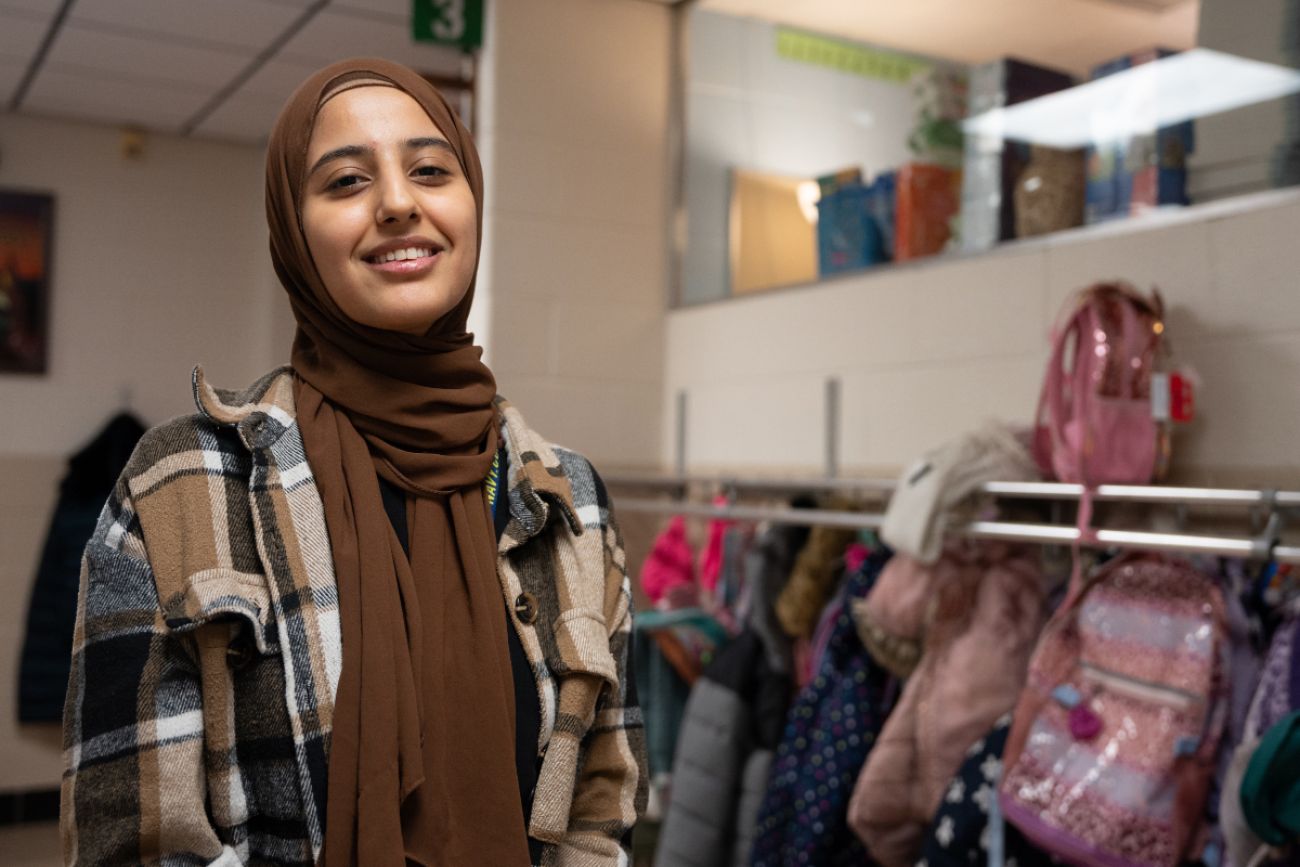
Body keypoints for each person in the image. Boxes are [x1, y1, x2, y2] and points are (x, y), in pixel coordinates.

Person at [60, 57, 647, 867]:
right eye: (344, 182)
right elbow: (131, 842)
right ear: (294, 234)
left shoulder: (566, 495)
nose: (400, 203)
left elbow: (601, 806)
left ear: (471, 200)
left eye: (432, 171)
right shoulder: (182, 483)